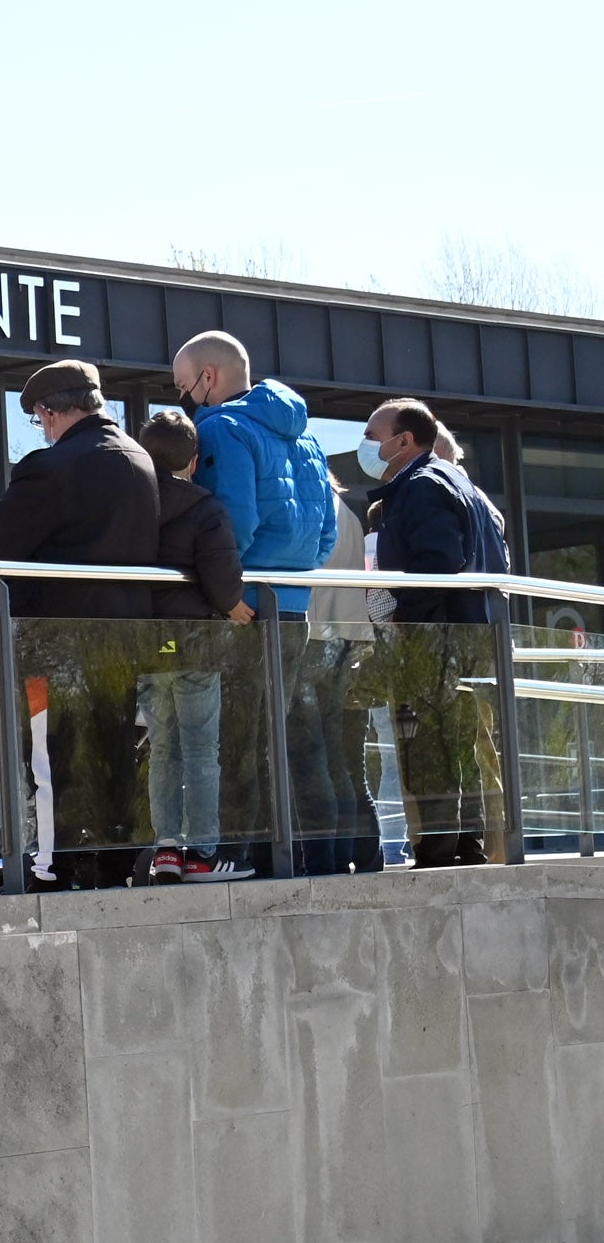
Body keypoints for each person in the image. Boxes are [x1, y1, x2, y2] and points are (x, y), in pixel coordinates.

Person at [0, 359, 160, 890]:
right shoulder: (139, 460)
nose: (42, 428)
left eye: (39, 418)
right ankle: (114, 862)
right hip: (123, 643)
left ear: (51, 413)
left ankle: (53, 867)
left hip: (58, 642)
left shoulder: (51, 467)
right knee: (114, 753)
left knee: (52, 762)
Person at [174, 330, 339, 872]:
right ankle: (305, 854)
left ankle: (234, 854)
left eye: (184, 385)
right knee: (286, 735)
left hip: (243, 606)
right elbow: (326, 536)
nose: (183, 398)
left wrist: (226, 591)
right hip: (295, 606)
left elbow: (232, 523)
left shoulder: (220, 427)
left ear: (210, 377)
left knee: (238, 738)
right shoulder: (307, 438)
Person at [364, 399, 507, 866]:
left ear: (403, 441)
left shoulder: (422, 487)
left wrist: (407, 621)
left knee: (427, 750)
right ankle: (466, 847)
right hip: (470, 637)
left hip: (437, 641)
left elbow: (436, 563)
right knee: (459, 749)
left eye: (372, 437)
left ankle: (438, 852)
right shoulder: (460, 483)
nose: (365, 448)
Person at [140, 410, 248, 882]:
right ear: (193, 459)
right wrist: (237, 608)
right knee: (202, 750)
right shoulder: (206, 507)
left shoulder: (130, 506)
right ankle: (202, 853)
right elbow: (224, 584)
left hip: (144, 642)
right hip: (196, 643)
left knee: (163, 748)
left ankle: (165, 849)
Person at [315, 463, 386, 873]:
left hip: (319, 642)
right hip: (353, 643)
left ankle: (338, 853)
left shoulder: (312, 507)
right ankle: (369, 853)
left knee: (323, 759)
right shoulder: (350, 514)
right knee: (349, 759)